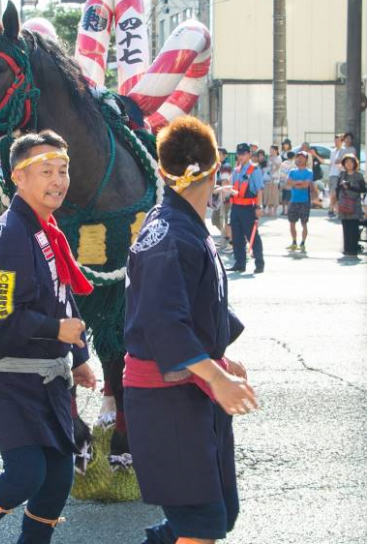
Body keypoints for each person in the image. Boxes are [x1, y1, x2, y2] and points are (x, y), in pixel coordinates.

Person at [0, 131, 96, 544]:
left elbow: (61, 294)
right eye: (46, 171)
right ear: (17, 177)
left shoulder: (45, 228)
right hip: (6, 374)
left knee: (58, 478)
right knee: (26, 473)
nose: (58, 180)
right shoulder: (9, 236)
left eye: (62, 171)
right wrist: (55, 331)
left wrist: (79, 354)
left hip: (47, 371)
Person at [123, 115, 257, 544]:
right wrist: (217, 377)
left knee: (215, 513)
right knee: (201, 521)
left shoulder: (177, 224)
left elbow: (190, 306)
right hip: (168, 397)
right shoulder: (171, 232)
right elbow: (165, 323)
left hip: (183, 389)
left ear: (162, 171)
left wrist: (220, 358)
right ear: (216, 165)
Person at [226, 143, 264, 274]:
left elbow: (259, 190)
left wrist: (259, 207)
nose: (240, 156)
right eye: (239, 154)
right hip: (236, 207)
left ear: (249, 154)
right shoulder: (236, 170)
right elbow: (232, 189)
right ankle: (239, 263)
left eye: (243, 154)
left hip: (248, 207)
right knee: (236, 237)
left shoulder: (254, 170)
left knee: (252, 237)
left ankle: (259, 263)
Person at [335, 154, 366, 256]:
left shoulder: (358, 175)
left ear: (354, 163)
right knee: (345, 227)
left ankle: (353, 248)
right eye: (346, 162)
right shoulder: (342, 175)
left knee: (353, 227)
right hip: (343, 204)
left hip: (354, 204)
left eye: (351, 162)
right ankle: (346, 248)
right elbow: (337, 189)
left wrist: (350, 187)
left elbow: (363, 189)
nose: (349, 164)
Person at [285, 152, 314, 252]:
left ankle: (302, 243)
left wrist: (295, 183)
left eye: (302, 157)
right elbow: (288, 182)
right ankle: (294, 242)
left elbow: (306, 185)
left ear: (306, 159)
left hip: (304, 201)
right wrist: (299, 182)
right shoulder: (292, 171)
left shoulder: (309, 172)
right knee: (292, 222)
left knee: (304, 223)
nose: (300, 159)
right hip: (293, 201)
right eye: (299, 157)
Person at [328, 133, 356, 216]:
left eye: (338, 140)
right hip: (331, 174)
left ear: (341, 141)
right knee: (333, 193)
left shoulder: (344, 151)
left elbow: (346, 162)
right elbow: (331, 163)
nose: (336, 142)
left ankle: (331, 209)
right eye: (335, 141)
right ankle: (336, 210)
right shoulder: (332, 151)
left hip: (340, 174)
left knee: (335, 192)